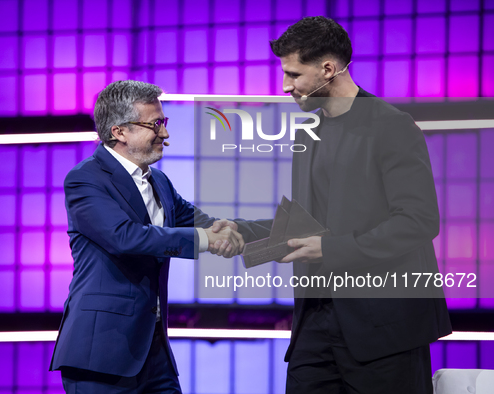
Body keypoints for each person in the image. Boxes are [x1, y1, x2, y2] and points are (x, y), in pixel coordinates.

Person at [212, 16, 451, 394]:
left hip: (384, 326)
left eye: (293, 74)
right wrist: (243, 230)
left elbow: (419, 221)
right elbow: (307, 221)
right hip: (316, 320)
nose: (286, 86)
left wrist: (329, 248)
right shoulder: (308, 133)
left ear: (328, 69)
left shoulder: (391, 126)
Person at [49, 80, 244, 393]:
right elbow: (125, 238)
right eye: (155, 124)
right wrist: (205, 239)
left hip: (153, 351)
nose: (165, 134)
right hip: (100, 353)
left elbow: (204, 222)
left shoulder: (160, 181)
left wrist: (256, 233)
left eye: (163, 122)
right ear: (119, 131)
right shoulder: (85, 179)